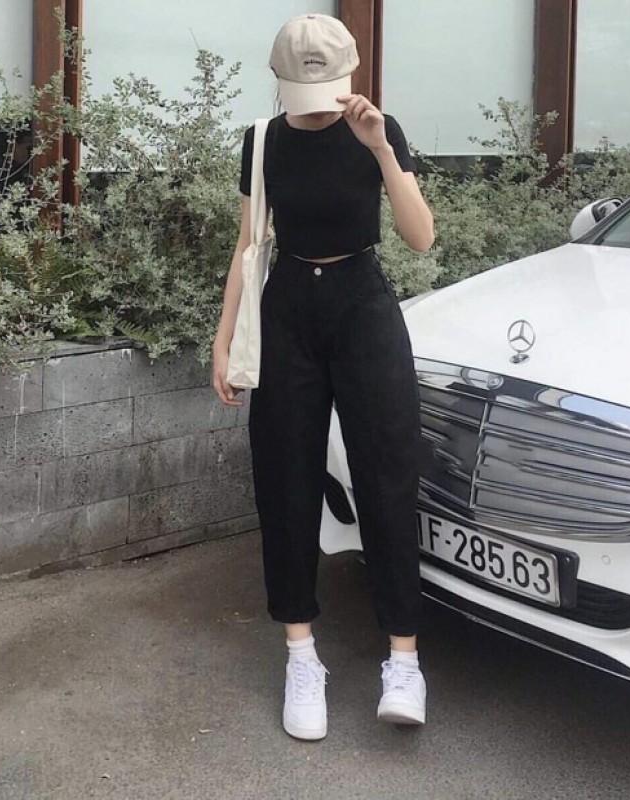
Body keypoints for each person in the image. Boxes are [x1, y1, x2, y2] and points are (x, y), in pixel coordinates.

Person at [211, 13, 435, 741]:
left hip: (362, 305)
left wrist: (380, 151)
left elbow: (420, 237)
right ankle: (301, 655)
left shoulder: (378, 129)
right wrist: (223, 340)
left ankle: (404, 661)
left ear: (348, 76)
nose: (314, 106)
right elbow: (248, 245)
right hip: (287, 312)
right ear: (280, 81)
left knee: (386, 474)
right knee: (285, 480)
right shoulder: (262, 140)